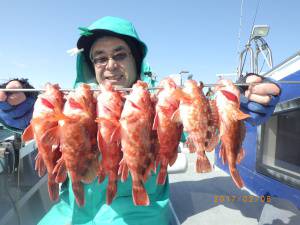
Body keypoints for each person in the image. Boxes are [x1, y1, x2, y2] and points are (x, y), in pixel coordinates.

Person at [0, 16, 280, 225]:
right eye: (100, 58)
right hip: (71, 215)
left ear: (136, 60)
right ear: (90, 65)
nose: (110, 65)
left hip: (141, 216)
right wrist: (15, 104)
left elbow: (199, 125)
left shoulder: (160, 101)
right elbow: (33, 120)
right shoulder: (74, 99)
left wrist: (244, 103)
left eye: (120, 55)